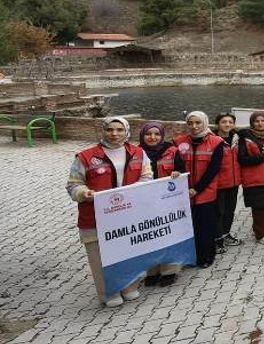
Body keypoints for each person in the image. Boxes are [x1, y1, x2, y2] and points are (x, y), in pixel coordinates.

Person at [67, 117, 153, 307]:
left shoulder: (138, 153)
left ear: (127, 131)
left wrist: (131, 192)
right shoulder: (85, 156)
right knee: (99, 256)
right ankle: (109, 292)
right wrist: (84, 192)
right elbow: (73, 184)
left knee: (128, 251)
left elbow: (147, 177)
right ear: (103, 131)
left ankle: (129, 286)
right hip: (95, 216)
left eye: (120, 130)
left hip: (127, 214)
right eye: (110, 130)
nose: (115, 134)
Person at [174, 111, 223, 268]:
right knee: (190, 225)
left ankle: (207, 257)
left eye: (198, 123)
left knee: (206, 225)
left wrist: (197, 189)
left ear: (205, 123)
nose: (194, 126)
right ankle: (192, 256)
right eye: (190, 123)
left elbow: (213, 169)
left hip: (206, 191)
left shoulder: (216, 142)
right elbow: (177, 166)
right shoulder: (178, 142)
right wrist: (185, 188)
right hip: (184, 192)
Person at [138, 121, 184, 287]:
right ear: (142, 135)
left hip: (168, 202)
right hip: (146, 202)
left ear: (162, 135)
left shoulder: (172, 151)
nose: (152, 137)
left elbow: (183, 171)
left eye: (156, 134)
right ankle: (152, 271)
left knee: (169, 236)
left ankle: (169, 271)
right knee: (149, 237)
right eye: (148, 134)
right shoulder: (136, 152)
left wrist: (177, 173)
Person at [237, 111, 264, 244]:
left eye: (263, 120)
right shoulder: (246, 137)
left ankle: (259, 229)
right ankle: (262, 234)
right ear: (252, 123)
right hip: (255, 177)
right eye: (257, 121)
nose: (260, 124)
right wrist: (261, 157)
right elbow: (242, 159)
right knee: (259, 205)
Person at [212, 114, 242, 253]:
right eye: (224, 122)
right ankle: (217, 239)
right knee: (219, 211)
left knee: (230, 210)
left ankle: (226, 234)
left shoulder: (237, 139)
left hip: (234, 181)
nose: (227, 124)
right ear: (218, 124)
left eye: (230, 122)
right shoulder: (212, 141)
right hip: (218, 183)